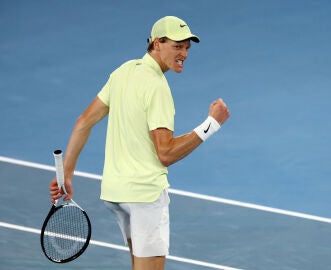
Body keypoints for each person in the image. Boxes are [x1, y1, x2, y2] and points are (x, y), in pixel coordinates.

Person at [49, 16, 230, 270]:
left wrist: (66, 173)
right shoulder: (157, 87)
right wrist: (212, 124)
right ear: (157, 43)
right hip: (144, 196)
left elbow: (83, 122)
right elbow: (165, 153)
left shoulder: (123, 71)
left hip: (116, 193)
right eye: (177, 46)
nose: (184, 53)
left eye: (187, 47)